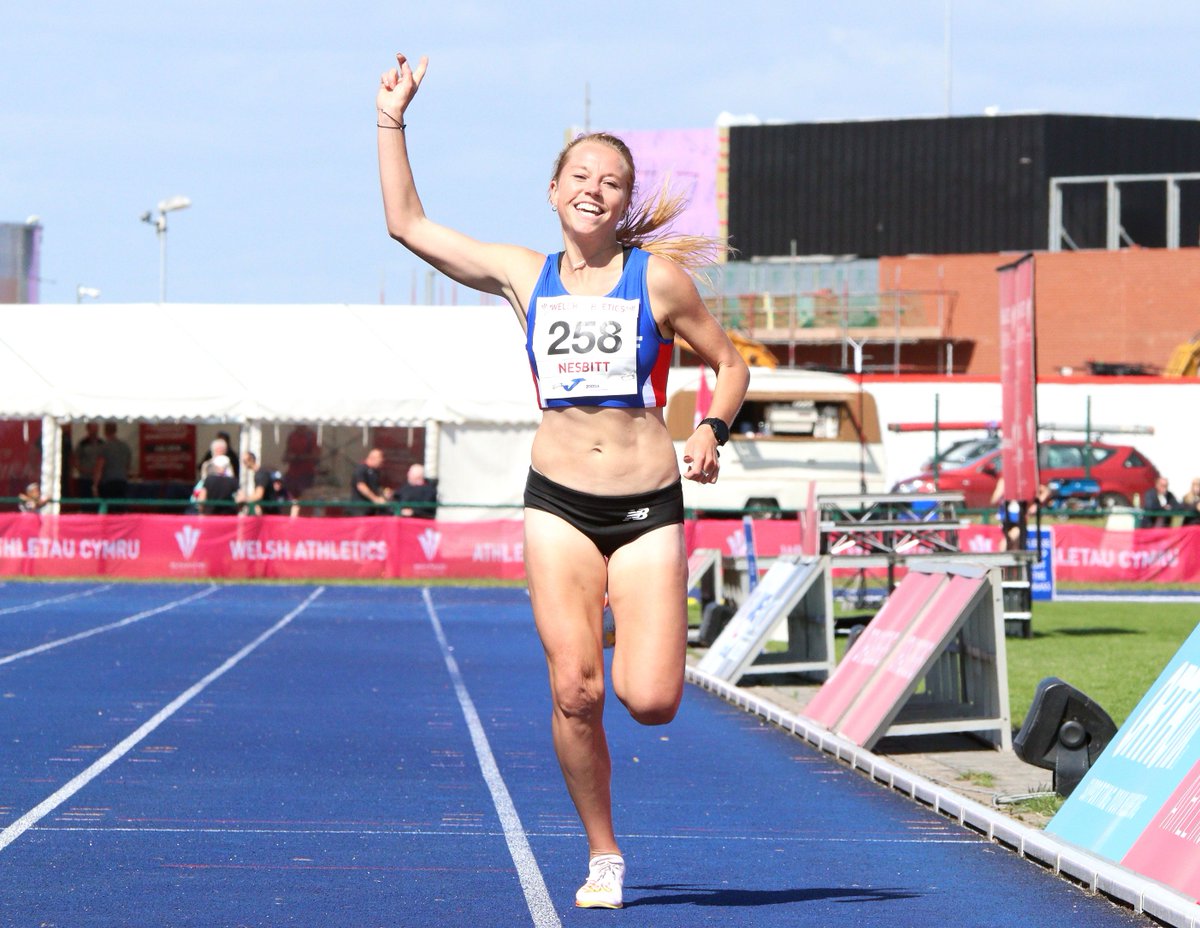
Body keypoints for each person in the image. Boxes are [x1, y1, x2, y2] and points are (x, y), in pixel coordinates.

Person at [377, 54, 749, 909]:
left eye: (612, 181)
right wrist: (392, 118)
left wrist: (710, 428)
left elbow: (730, 366)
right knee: (575, 691)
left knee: (650, 701)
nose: (594, 189)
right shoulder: (523, 274)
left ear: (625, 202)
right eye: (580, 176)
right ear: (553, 192)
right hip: (559, 505)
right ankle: (604, 853)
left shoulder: (657, 279)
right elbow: (407, 224)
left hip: (647, 507)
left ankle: (615, 620)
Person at [94, 422, 132, 510]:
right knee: (121, 509)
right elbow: (128, 465)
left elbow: (99, 467)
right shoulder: (125, 447)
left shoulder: (104, 447)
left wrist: (95, 485)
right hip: (122, 481)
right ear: (116, 430)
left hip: (109, 482)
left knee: (110, 509)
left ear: (105, 431)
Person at [350, 448, 392, 515]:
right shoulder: (361, 469)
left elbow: (376, 487)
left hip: (371, 509)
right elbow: (361, 486)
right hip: (360, 509)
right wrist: (375, 499)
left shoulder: (376, 472)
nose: (381, 463)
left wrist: (384, 492)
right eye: (380, 461)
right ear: (373, 458)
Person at [73, 422, 104, 508]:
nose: (94, 430)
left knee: (98, 504)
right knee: (86, 504)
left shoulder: (102, 443)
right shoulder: (82, 444)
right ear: (88, 429)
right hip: (85, 479)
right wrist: (84, 470)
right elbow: (75, 461)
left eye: (96, 428)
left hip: (99, 480)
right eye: (92, 428)